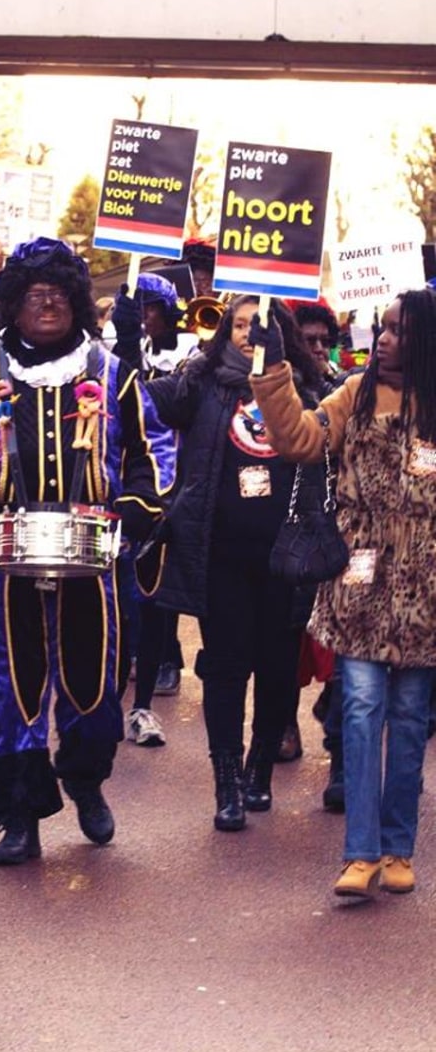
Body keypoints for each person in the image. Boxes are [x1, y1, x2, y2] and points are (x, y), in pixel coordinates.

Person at [0, 237, 176, 865]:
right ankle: (20, 818)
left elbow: (155, 451)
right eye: (33, 295)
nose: (47, 304)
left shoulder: (112, 374)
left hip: (93, 563)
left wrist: (136, 506)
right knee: (14, 693)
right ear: (13, 306)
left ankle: (87, 782)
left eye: (58, 294)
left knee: (94, 685)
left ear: (75, 302)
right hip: (10, 561)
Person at [249, 287, 436, 898]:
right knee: (359, 710)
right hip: (357, 581)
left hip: (426, 589)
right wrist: (273, 369)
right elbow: (298, 439)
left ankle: (396, 847)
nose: (381, 339)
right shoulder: (353, 395)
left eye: (397, 331)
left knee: (409, 720)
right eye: (380, 329)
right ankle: (359, 853)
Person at [147, 295, 321, 832]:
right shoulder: (201, 384)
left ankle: (260, 768)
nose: (249, 334)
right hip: (219, 553)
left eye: (260, 325)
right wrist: (135, 337)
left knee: (276, 668)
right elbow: (146, 402)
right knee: (224, 668)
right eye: (240, 326)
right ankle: (226, 781)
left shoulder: (307, 388)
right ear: (225, 334)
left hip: (285, 557)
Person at [111, 272, 198, 747]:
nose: (144, 316)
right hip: (119, 480)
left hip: (169, 482)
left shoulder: (185, 353)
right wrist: (123, 342)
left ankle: (145, 701)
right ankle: (105, 702)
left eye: (151, 308)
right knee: (113, 604)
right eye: (137, 307)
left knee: (153, 596)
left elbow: (162, 404)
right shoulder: (112, 352)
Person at [276, 296, 344, 765]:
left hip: (338, 533)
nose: (319, 347)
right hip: (290, 530)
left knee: (340, 645)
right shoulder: (281, 392)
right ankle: (283, 725)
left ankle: (338, 739)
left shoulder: (345, 388)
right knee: (287, 639)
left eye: (325, 340)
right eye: (309, 339)